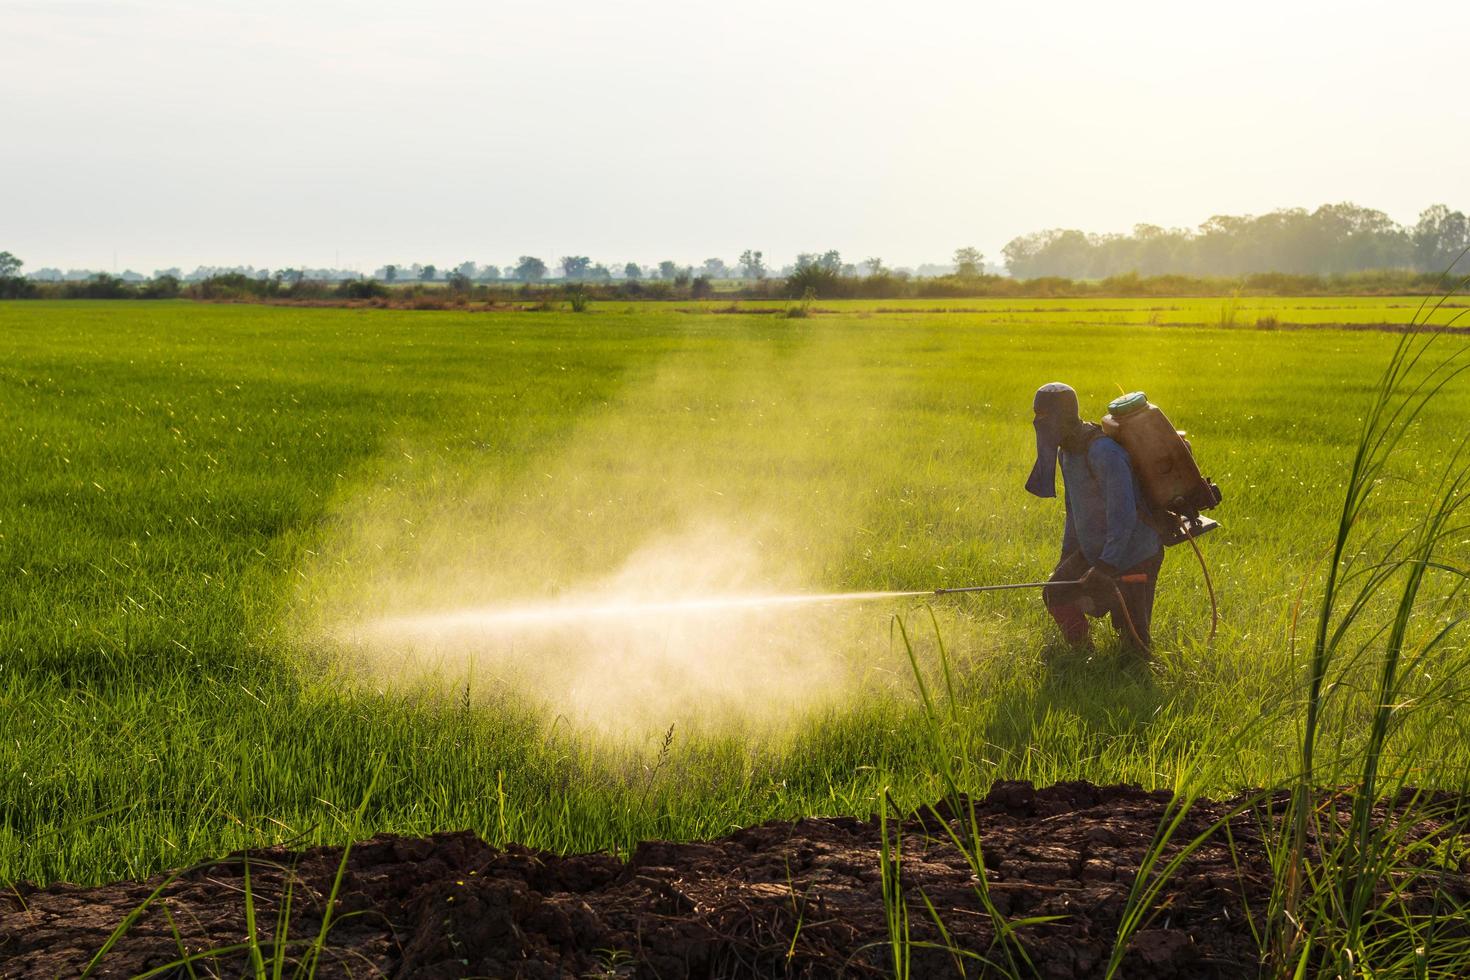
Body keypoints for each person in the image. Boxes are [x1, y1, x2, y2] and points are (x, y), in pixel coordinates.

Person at [1025, 382, 1164, 653]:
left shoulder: (1104, 453)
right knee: (1056, 593)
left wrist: (1106, 567)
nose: (1038, 423)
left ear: (1064, 417)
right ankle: (1082, 653)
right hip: (1097, 551)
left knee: (1133, 644)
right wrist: (1067, 555)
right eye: (1036, 415)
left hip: (1136, 553)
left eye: (1045, 416)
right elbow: (1073, 510)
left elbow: (1124, 516)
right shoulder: (1066, 453)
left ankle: (1135, 675)